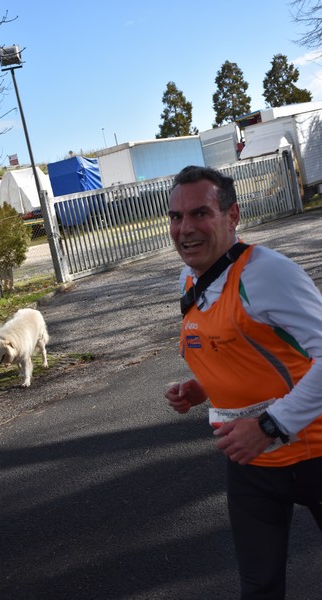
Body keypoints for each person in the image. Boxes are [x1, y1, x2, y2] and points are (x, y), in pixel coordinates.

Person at [164, 165, 322, 599]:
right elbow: (242, 346)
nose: (185, 228)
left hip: (314, 450)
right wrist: (203, 387)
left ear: (232, 216)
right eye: (176, 217)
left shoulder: (268, 273)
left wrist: (270, 426)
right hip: (253, 462)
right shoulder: (190, 279)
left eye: (200, 214)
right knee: (259, 587)